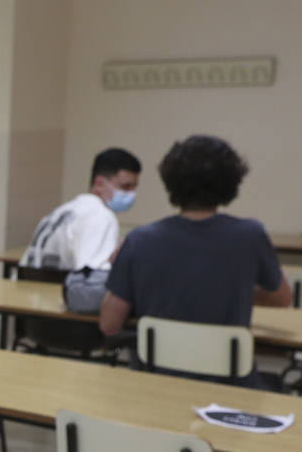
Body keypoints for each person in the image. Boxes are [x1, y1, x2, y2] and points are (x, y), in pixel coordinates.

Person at [98, 135, 291, 354]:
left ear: (170, 181)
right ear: (232, 182)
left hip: (156, 376)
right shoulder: (250, 235)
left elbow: (109, 325)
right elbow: (282, 299)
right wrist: (229, 288)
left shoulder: (139, 240)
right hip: (227, 377)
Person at [20, 147, 142, 314]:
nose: (131, 194)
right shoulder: (101, 217)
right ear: (99, 183)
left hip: (31, 313)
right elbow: (93, 288)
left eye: (134, 188)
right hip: (71, 320)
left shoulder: (61, 211)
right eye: (125, 187)